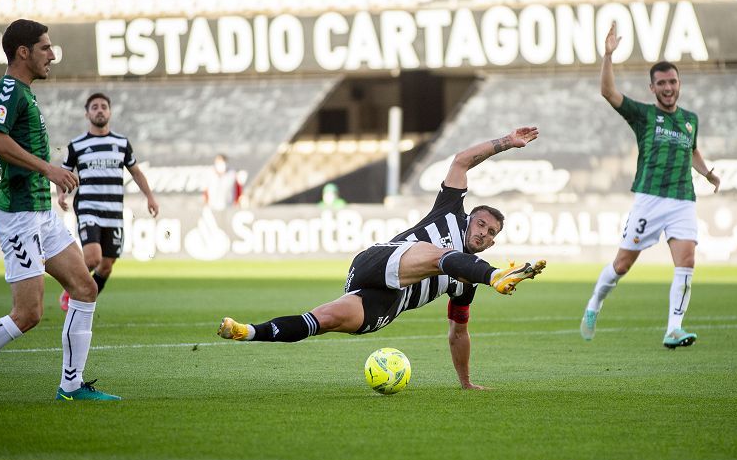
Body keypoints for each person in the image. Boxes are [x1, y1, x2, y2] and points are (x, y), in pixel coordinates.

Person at [218, 127, 547, 390]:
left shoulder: (463, 285)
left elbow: (458, 333)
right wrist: (506, 142)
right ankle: (495, 277)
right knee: (443, 256)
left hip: (385, 301)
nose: (484, 234)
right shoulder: (448, 212)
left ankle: (247, 331)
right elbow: (461, 161)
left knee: (324, 319)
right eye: (481, 225)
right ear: (468, 219)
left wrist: (466, 383)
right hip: (378, 262)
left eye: (491, 234)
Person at [0, 19, 120, 404]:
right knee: (28, 313)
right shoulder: (9, 90)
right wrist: (46, 168)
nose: (52, 55)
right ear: (23, 52)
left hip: (41, 212)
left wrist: (7, 168)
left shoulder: (22, 93)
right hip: (19, 215)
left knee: (84, 288)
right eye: (46, 48)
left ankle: (71, 386)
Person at [580, 23, 721, 349]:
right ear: (652, 88)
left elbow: (693, 150)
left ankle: (674, 329)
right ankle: (594, 304)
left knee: (686, 261)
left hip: (683, 200)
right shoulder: (643, 115)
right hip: (649, 201)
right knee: (622, 265)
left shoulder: (690, 119)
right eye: (662, 83)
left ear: (679, 84)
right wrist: (608, 56)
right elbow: (608, 93)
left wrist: (707, 173)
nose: (668, 87)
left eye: (672, 81)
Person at [57, 92, 159, 310]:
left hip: (114, 210)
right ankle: (72, 292)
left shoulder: (121, 143)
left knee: (106, 266)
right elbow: (63, 172)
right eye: (94, 107)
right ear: (87, 114)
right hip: (88, 207)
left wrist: (150, 197)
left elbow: (136, 172)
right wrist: (61, 193)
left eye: (104, 106)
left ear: (110, 112)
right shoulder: (77, 145)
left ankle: (86, 295)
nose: (100, 110)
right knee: (92, 258)